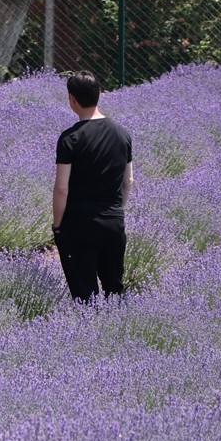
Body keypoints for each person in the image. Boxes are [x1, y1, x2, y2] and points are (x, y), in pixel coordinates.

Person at [52, 71, 134, 302]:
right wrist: (116, 209)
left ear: (72, 99)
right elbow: (128, 181)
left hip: (79, 224)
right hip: (113, 221)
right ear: (99, 94)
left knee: (85, 295)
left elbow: (61, 189)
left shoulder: (70, 138)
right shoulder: (122, 134)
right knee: (114, 292)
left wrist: (58, 227)